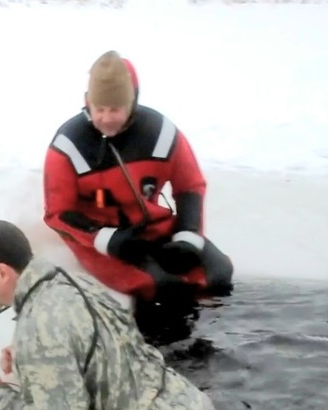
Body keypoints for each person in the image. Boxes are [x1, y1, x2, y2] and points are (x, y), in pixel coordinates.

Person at [0, 219, 217, 410]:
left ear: (2, 272)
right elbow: (95, 344)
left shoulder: (40, 324)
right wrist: (29, 360)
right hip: (188, 405)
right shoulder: (72, 282)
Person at [42, 50, 234, 328]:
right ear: (88, 103)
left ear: (131, 103)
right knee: (162, 286)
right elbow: (57, 214)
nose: (107, 118)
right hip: (101, 241)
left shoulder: (161, 133)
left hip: (151, 228)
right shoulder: (68, 146)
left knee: (218, 274)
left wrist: (188, 236)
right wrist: (106, 239)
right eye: (100, 109)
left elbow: (189, 185)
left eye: (115, 109)